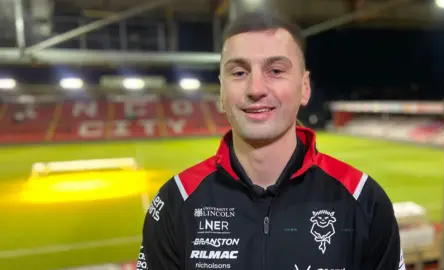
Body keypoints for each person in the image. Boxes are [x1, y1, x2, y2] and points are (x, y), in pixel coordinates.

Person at [136, 10, 405, 270]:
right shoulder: (175, 203)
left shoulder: (365, 201)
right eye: (239, 72)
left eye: (275, 70)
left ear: (305, 87)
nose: (256, 89)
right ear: (221, 91)